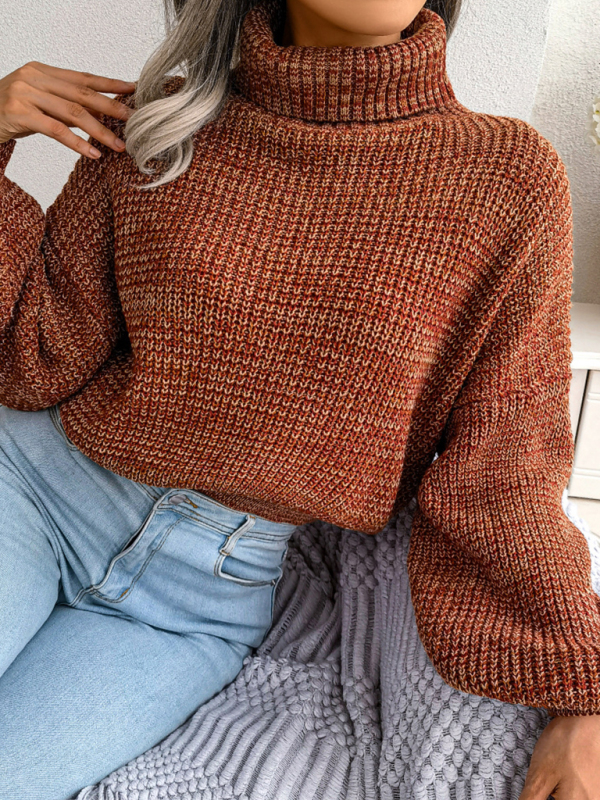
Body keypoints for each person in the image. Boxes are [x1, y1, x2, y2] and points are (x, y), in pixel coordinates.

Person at [0, 0, 599, 798]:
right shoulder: (170, 119)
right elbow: (34, 360)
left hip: (199, 601)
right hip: (35, 492)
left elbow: (506, 465)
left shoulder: (507, 179)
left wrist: (580, 693)